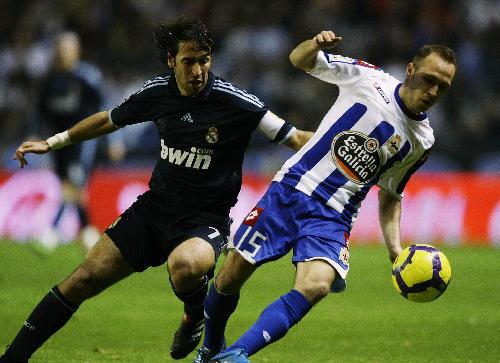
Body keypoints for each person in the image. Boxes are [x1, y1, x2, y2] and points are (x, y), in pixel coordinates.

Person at [0, 18, 312, 363]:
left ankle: (193, 314)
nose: (197, 71)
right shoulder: (156, 93)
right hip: (154, 209)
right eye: (188, 61)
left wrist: (349, 147)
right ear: (170, 60)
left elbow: (295, 138)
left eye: (204, 60)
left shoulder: (234, 101)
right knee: (83, 278)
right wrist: (53, 142)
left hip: (203, 219)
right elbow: (108, 119)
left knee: (187, 265)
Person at [194, 30, 457, 363]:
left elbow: (391, 194)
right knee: (230, 276)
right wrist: (314, 45)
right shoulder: (368, 78)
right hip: (291, 191)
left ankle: (239, 353)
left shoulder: (422, 141)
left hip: (334, 217)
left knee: (316, 285)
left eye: (442, 87)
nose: (433, 91)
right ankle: (210, 347)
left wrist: (395, 250)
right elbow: (299, 60)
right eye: (429, 79)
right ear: (410, 70)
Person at [35, 31, 125, 251]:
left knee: (74, 183)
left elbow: (106, 108)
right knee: (71, 186)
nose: (64, 53)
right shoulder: (49, 80)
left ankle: (53, 230)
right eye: (61, 49)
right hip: (59, 142)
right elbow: (41, 112)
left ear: (77, 51)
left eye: (69, 49)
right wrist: (37, 135)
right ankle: (88, 232)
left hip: (83, 140)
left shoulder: (88, 77)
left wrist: (115, 139)